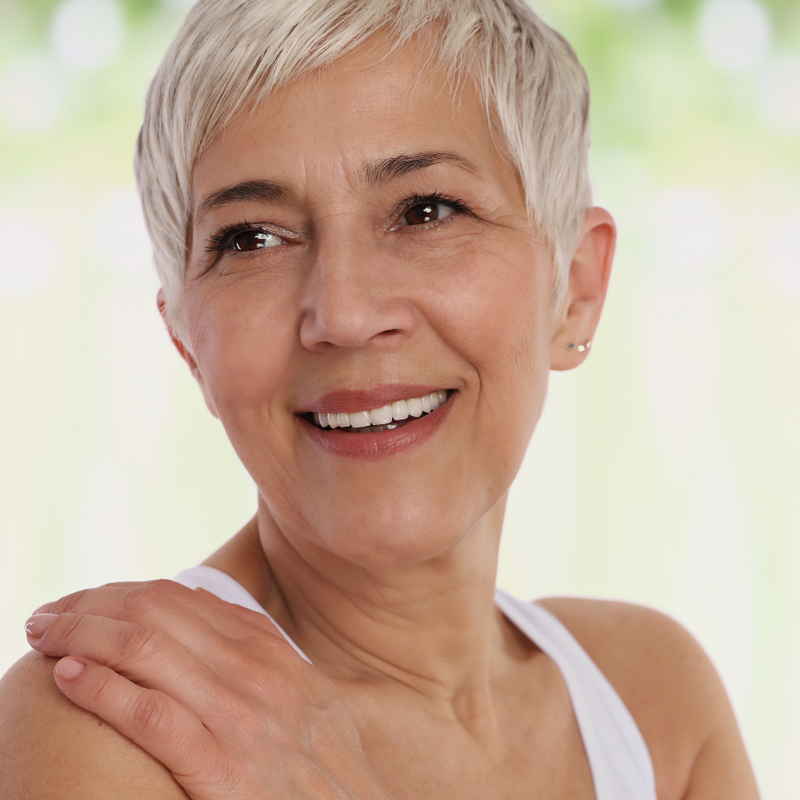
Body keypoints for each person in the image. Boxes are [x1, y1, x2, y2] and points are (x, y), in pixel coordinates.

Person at [0, 1, 760, 798]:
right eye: (252, 237)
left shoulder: (654, 699)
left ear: (575, 289)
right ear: (189, 340)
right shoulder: (111, 724)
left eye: (427, 211)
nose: (346, 315)